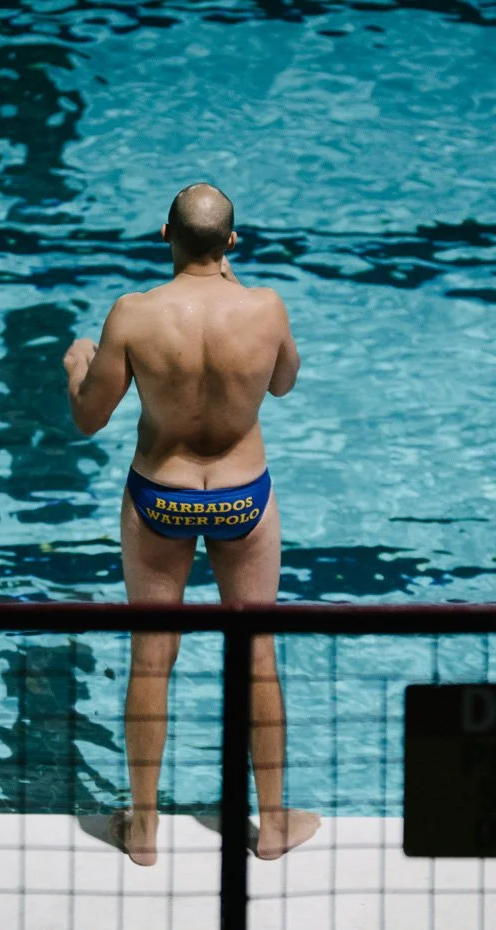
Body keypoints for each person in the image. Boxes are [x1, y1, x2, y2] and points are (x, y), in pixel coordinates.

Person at [62, 182, 321, 866]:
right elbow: (284, 382)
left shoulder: (133, 314)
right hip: (242, 496)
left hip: (161, 496)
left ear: (164, 235)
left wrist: (77, 362)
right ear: (232, 242)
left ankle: (144, 828)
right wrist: (237, 289)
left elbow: (89, 418)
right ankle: (273, 823)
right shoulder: (265, 307)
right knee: (257, 654)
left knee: (153, 655)